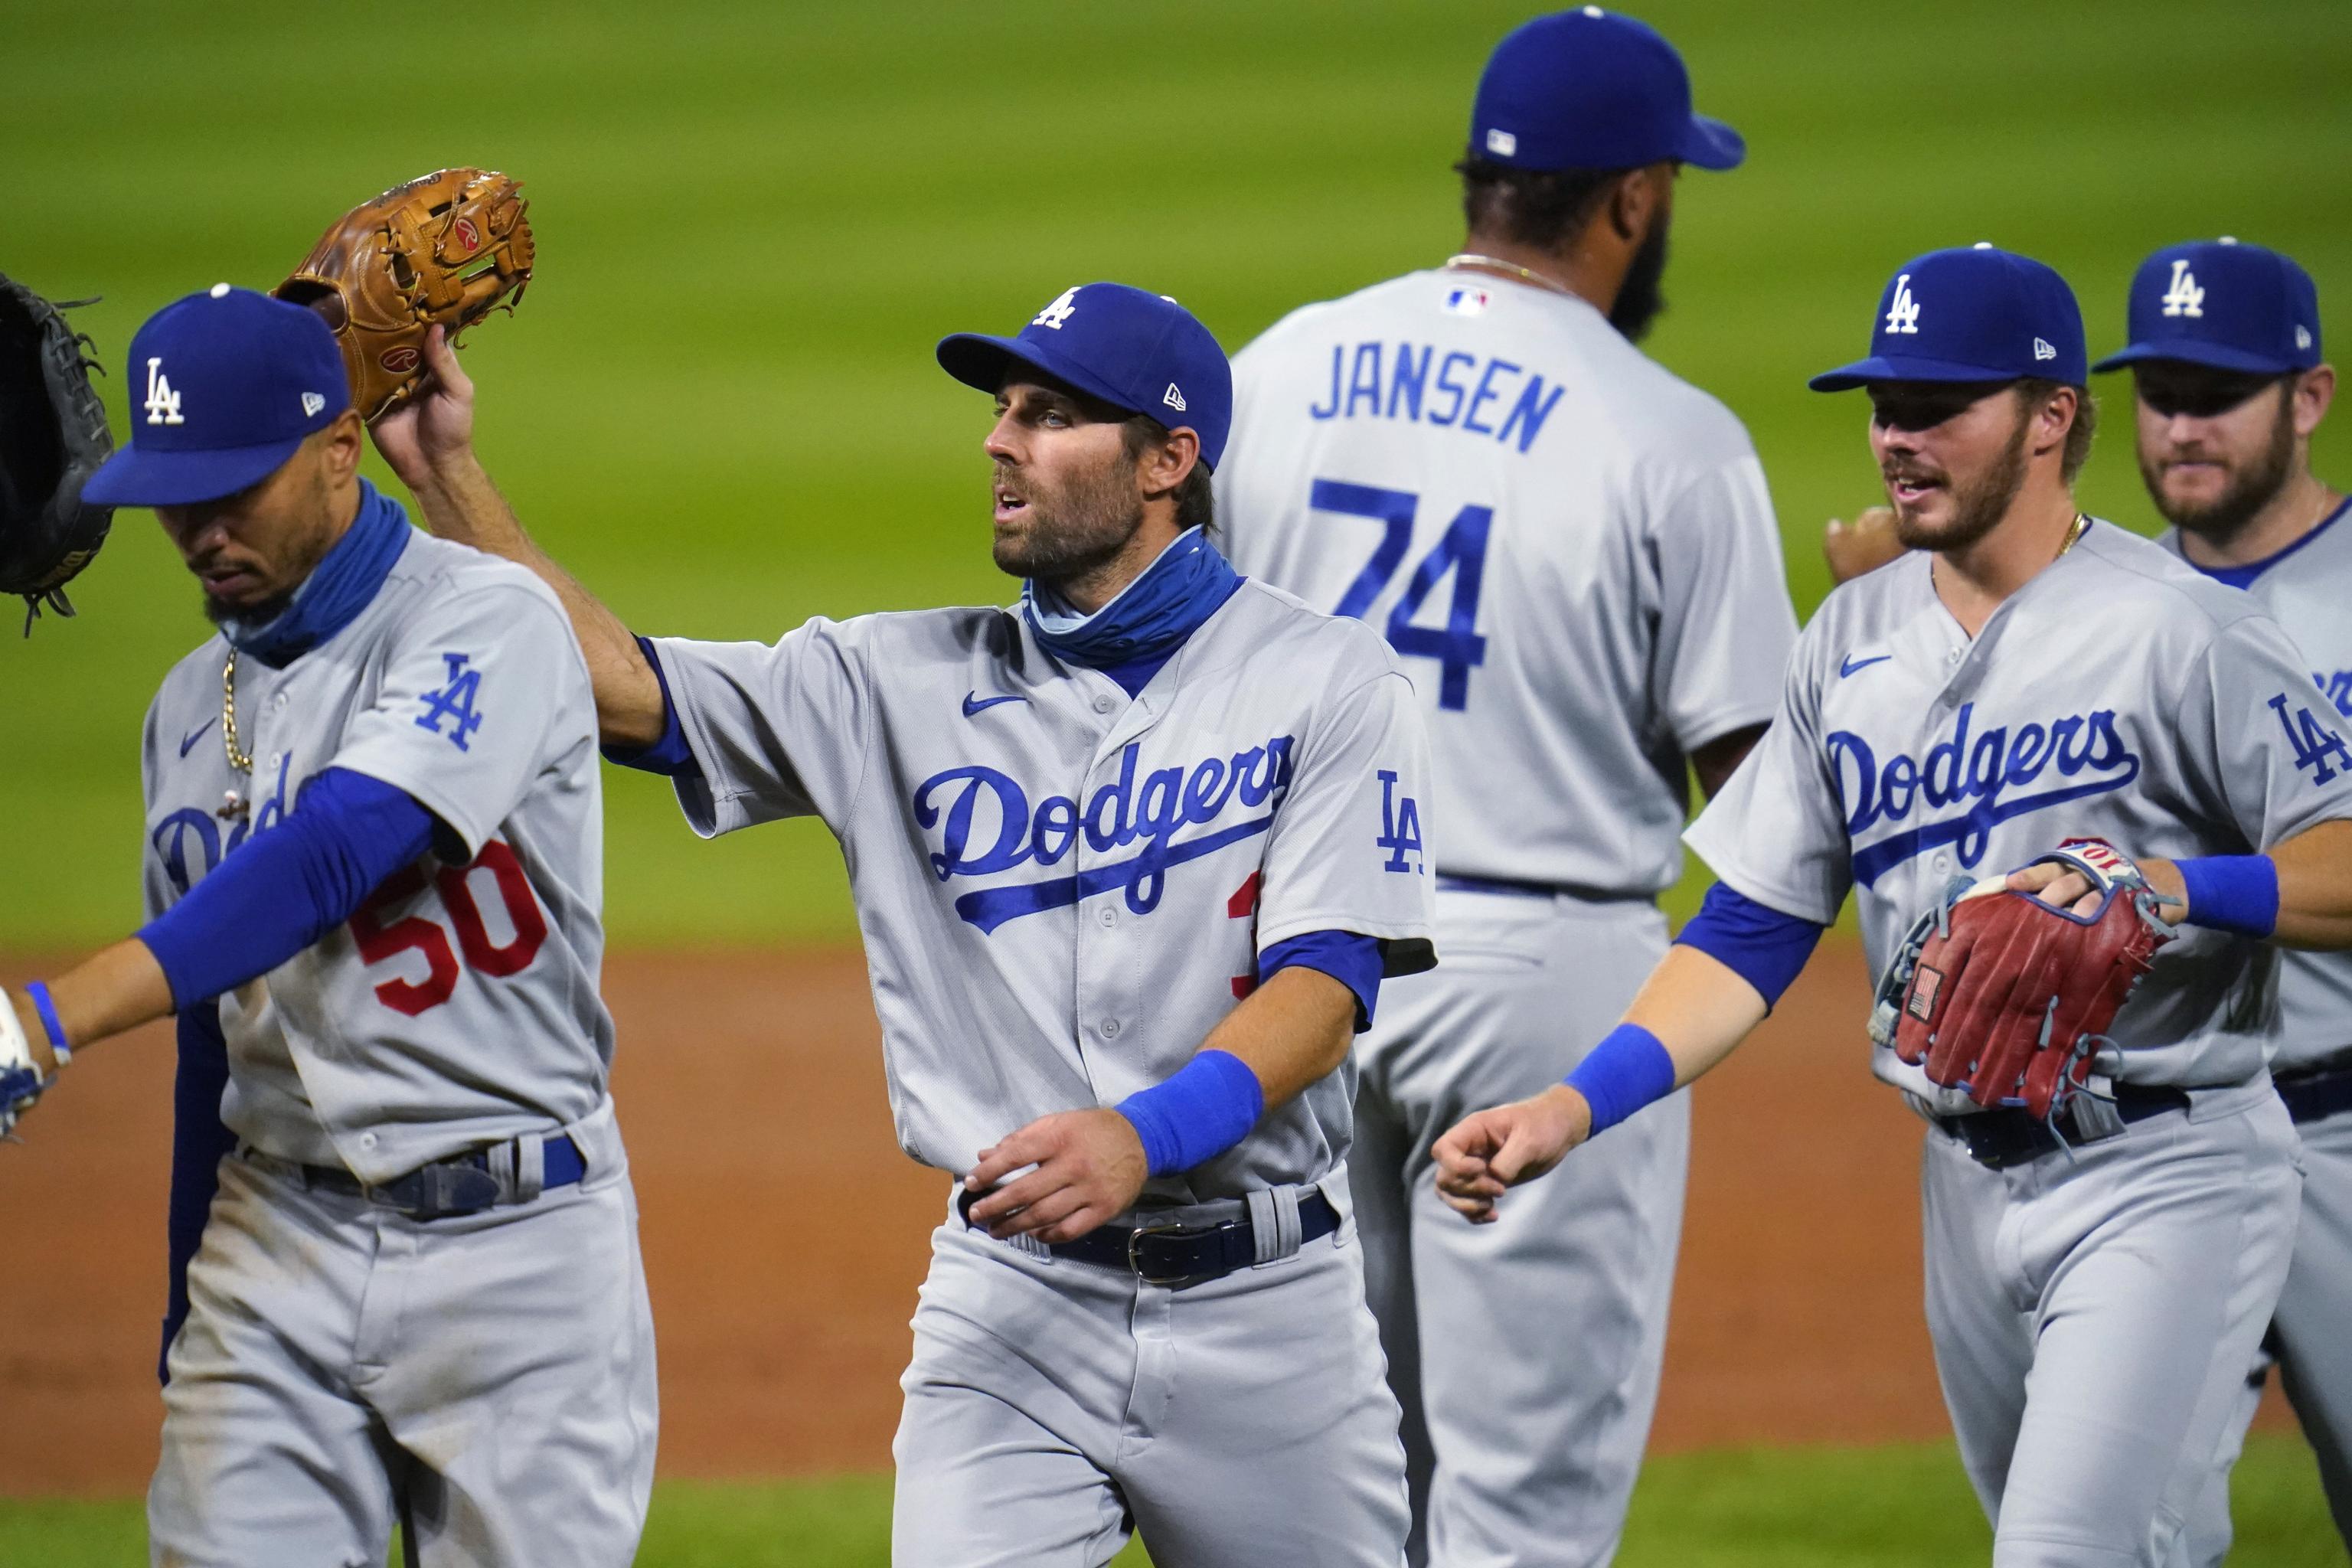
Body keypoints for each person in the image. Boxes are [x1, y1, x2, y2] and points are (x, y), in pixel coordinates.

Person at [374, 283, 1439, 1566]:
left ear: (1169, 460)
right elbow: (614, 686)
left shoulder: (1328, 681)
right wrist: (445, 472)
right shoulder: (891, 679)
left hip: (1275, 1321)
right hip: (1014, 1316)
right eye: (1001, 412)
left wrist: (1139, 1138)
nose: (999, 441)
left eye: (1049, 417)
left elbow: (1323, 993)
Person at [1430, 243, 2352, 1566]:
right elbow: (1749, 929)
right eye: (1884, 407)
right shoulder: (1848, 641)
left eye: (1937, 409)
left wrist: (2166, 888)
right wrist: (1570, 1108)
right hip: (1963, 1182)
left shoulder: (2180, 628)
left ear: (2050, 418)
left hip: (2171, 1163)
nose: (1897, 440)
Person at [1211, 10, 1795, 1562]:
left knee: (1331, 1488)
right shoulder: (1675, 442)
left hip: (1300, 965)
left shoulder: (1283, 366)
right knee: (1521, 1507)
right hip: (1545, 978)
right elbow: (1765, 807)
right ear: (1633, 201)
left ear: (1483, 182)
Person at [0, 284, 654, 1566]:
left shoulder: (486, 623)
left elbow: (337, 851)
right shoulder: (189, 708)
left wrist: (46, 1017)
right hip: (272, 1248)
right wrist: (192, 1292)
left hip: (519, 1261)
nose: (197, 529)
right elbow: (214, 1033)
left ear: (340, 452)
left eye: (234, 488)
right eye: (170, 496)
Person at [2086, 237, 2351, 1563]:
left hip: (2347, 1121)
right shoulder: (2099, 608)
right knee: (2134, 1530)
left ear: (2309, 397)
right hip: (2165, 1145)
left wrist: (2192, 886)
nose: (2183, 425)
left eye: (2219, 391)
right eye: (2161, 390)